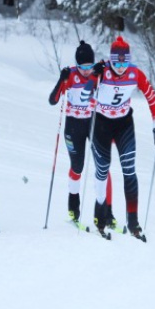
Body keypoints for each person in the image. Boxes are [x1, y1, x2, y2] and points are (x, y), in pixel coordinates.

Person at [83, 36, 155, 239]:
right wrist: (94, 76)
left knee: (129, 169)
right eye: (116, 62)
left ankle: (133, 221)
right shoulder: (102, 72)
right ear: (110, 59)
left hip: (123, 124)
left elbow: (151, 96)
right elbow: (86, 95)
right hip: (101, 124)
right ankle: (100, 217)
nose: (121, 67)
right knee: (102, 169)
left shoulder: (135, 73)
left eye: (124, 61)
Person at [48, 40, 99, 222]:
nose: (87, 71)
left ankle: (105, 212)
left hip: (92, 123)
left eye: (90, 66)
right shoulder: (70, 75)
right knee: (77, 166)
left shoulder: (97, 75)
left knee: (103, 163)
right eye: (82, 67)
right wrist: (61, 80)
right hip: (73, 126)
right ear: (77, 65)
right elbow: (52, 100)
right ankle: (73, 207)